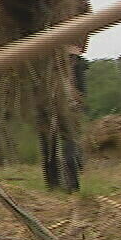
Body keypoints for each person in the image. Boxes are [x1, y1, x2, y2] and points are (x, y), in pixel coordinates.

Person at [40, 43, 88, 192]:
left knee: (52, 139)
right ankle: (69, 185)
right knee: (66, 138)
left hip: (44, 68)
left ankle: (56, 184)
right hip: (58, 70)